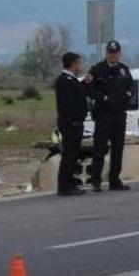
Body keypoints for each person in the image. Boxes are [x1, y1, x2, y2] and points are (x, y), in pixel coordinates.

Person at [87, 40, 135, 192]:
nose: (113, 55)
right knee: (99, 149)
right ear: (106, 53)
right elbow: (89, 90)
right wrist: (103, 98)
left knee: (118, 149)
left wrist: (127, 94)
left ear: (119, 54)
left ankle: (115, 180)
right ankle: (96, 181)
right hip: (103, 114)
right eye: (110, 52)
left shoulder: (124, 69)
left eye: (115, 53)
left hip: (119, 114)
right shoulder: (97, 69)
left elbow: (131, 87)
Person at [55, 52, 92, 196]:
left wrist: (84, 83)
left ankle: (70, 182)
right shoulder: (64, 80)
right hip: (70, 123)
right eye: (79, 63)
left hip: (76, 123)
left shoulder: (71, 80)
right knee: (69, 155)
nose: (80, 66)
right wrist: (74, 119)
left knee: (73, 154)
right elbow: (68, 103)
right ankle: (64, 186)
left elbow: (78, 92)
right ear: (73, 64)